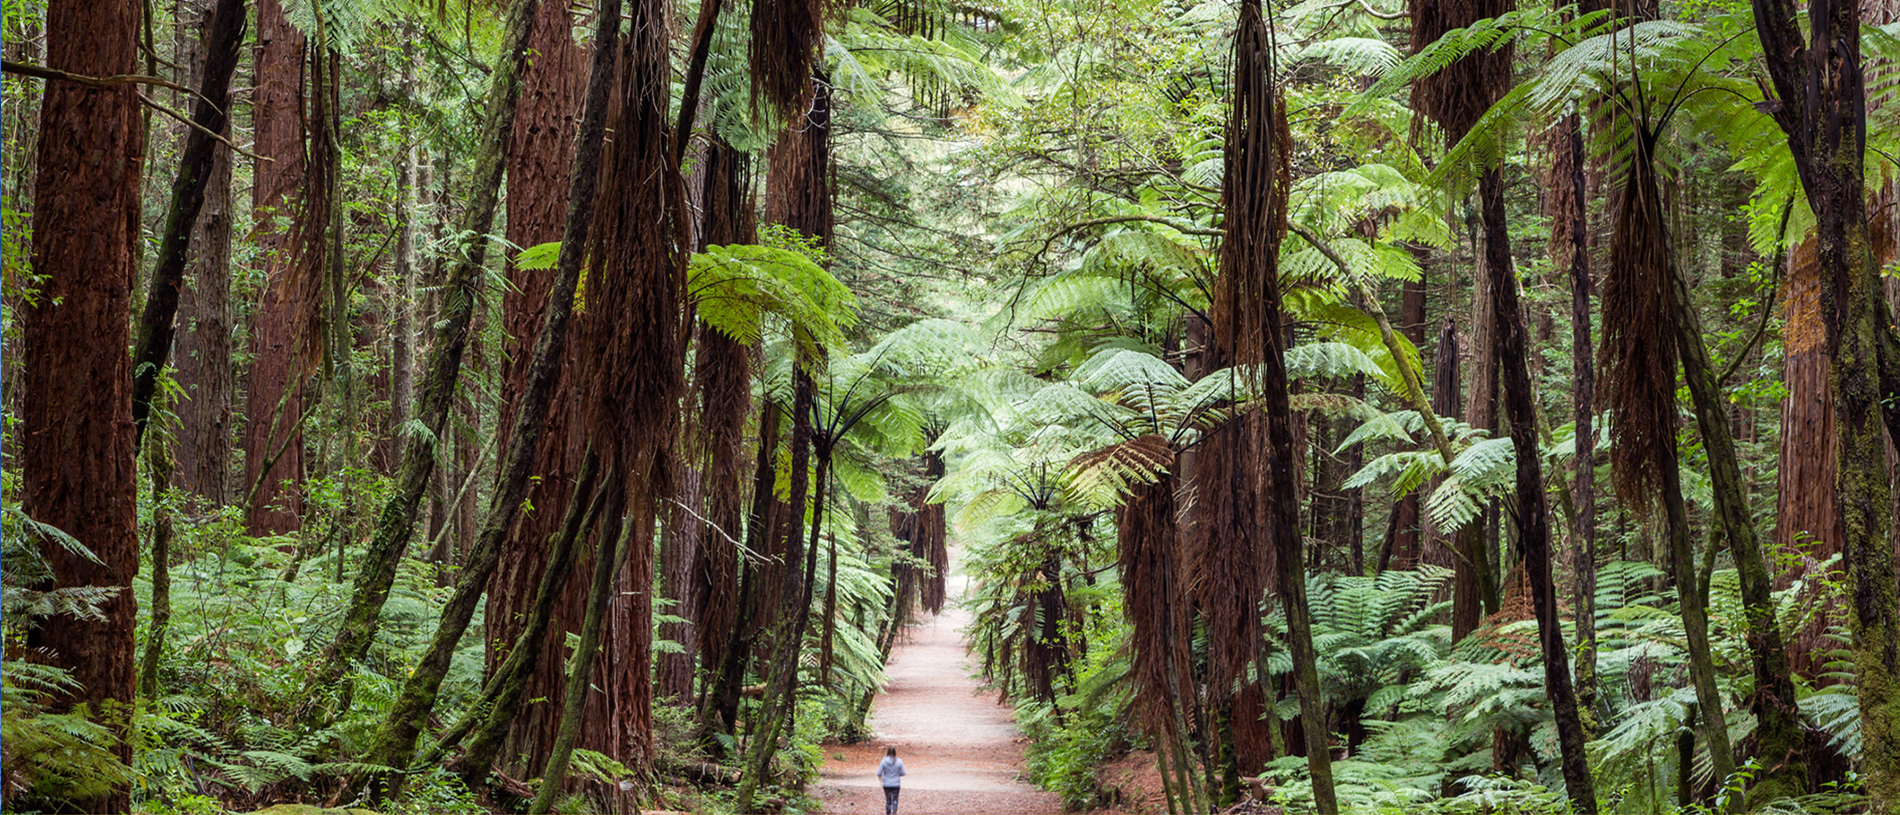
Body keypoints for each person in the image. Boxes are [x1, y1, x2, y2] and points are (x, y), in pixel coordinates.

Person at [877, 745, 906, 814]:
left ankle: (888, 812)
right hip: (896, 783)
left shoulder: (883, 761)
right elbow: (903, 772)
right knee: (895, 799)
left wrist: (882, 780)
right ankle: (894, 811)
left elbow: (879, 772)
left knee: (888, 799)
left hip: (886, 783)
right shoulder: (899, 761)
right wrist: (897, 774)